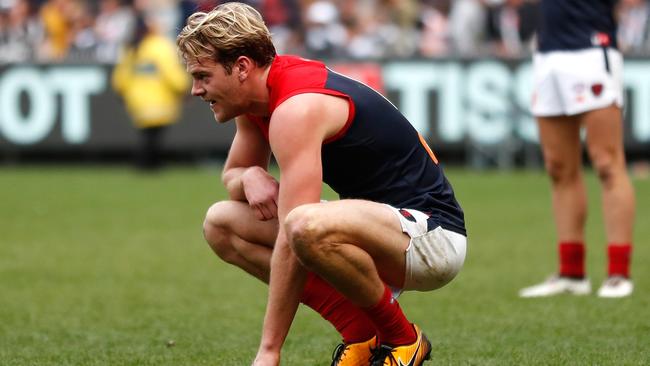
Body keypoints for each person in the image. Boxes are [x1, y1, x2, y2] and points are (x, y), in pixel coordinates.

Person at [176, 3, 467, 365]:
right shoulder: (258, 97)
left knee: (301, 224)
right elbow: (232, 176)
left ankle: (404, 340)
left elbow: (292, 234)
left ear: (241, 67)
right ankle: (361, 335)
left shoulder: (295, 107)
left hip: (433, 239)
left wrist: (269, 350)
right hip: (383, 228)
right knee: (221, 223)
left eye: (203, 76)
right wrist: (250, 174)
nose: (195, 90)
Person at [520, 0, 635, 298]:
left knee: (607, 162)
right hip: (547, 52)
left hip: (592, 49)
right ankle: (572, 273)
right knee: (558, 167)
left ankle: (618, 273)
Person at [112, 13, 189, 170]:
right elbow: (171, 72)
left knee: (147, 133)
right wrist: (183, 87)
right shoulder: (160, 46)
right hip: (159, 99)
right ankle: (150, 163)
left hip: (137, 100)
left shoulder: (131, 48)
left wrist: (122, 91)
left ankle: (147, 163)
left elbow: (121, 76)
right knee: (154, 134)